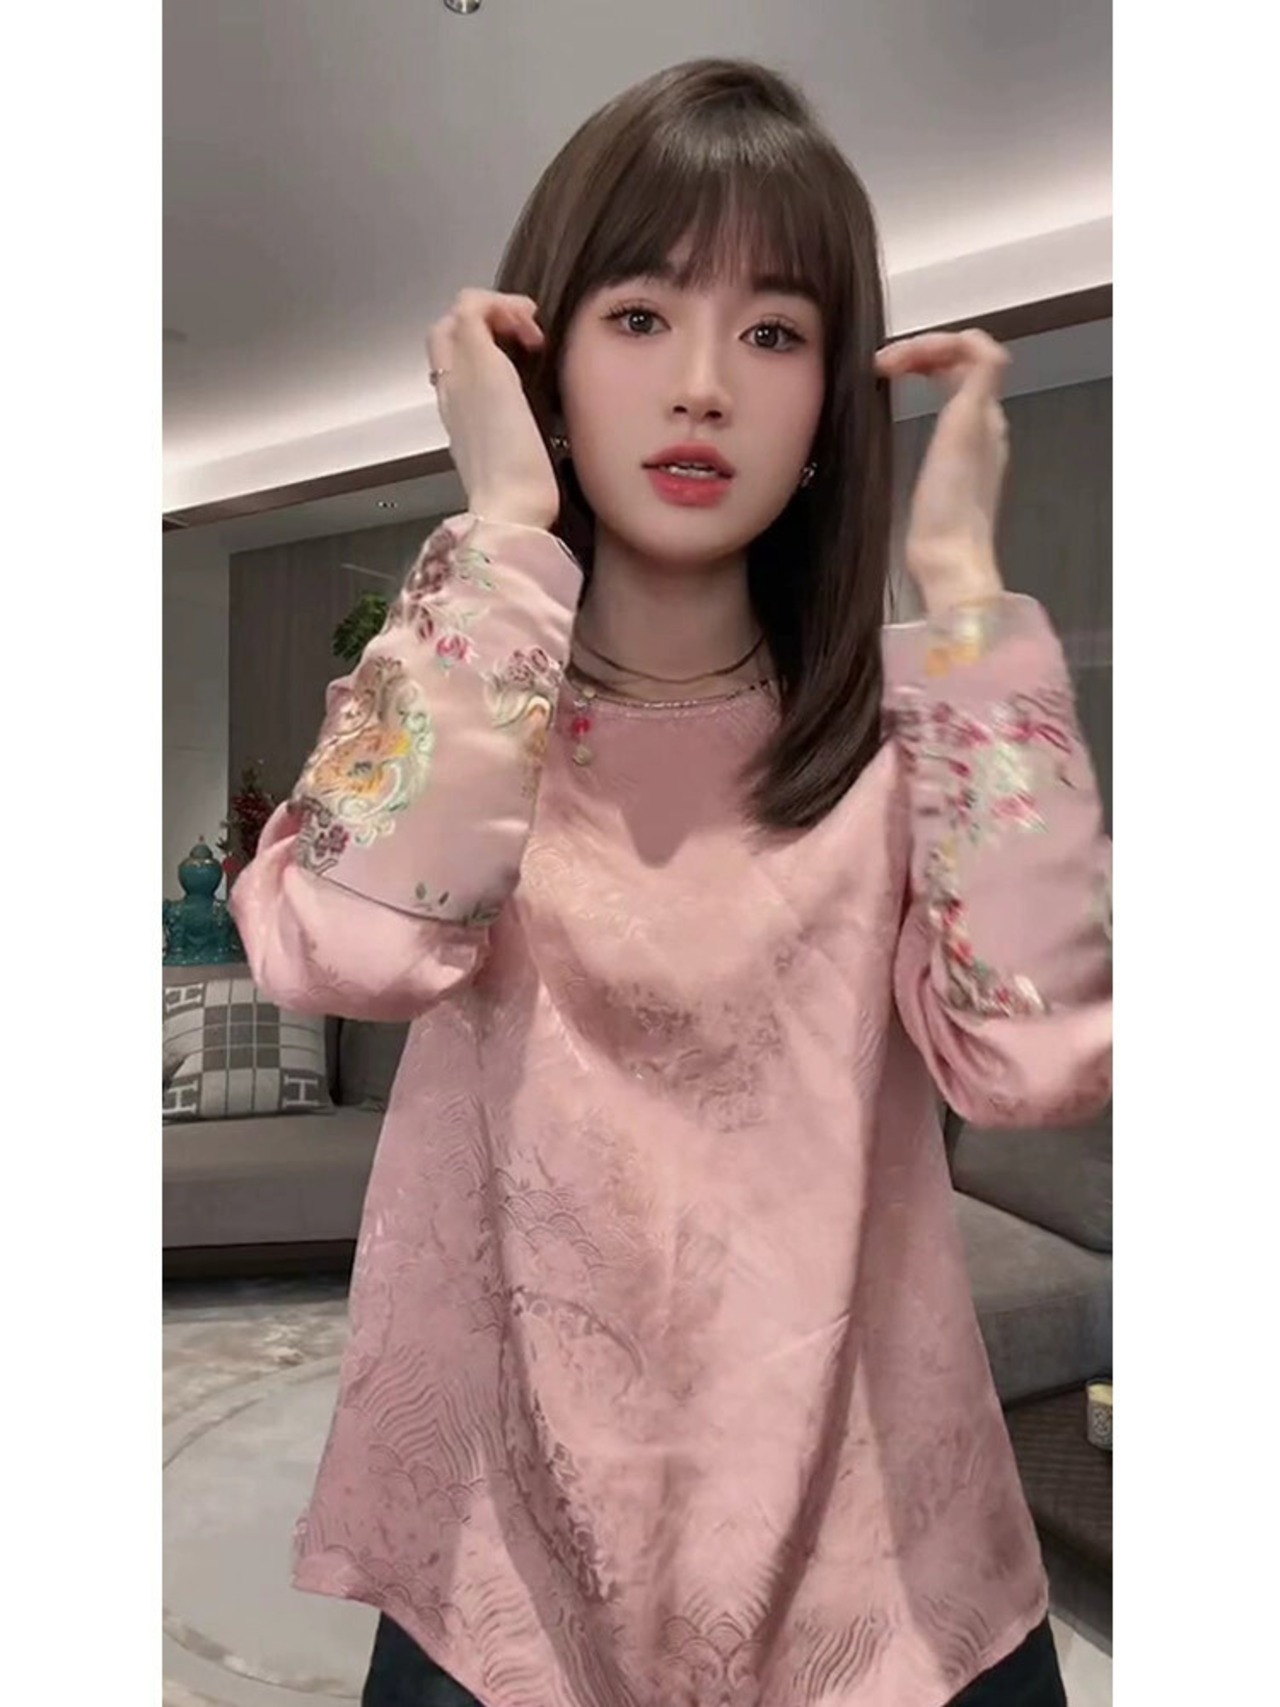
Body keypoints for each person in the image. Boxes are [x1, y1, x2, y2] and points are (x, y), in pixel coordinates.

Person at [231, 56, 1111, 1707]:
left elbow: (1040, 1063)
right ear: (546, 368)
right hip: (506, 1550)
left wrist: (963, 593)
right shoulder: (460, 699)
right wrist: (505, 519)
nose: (704, 386)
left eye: (773, 335)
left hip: (877, 1560)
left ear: (829, 409)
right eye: (640, 316)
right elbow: (350, 951)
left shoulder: (908, 741)